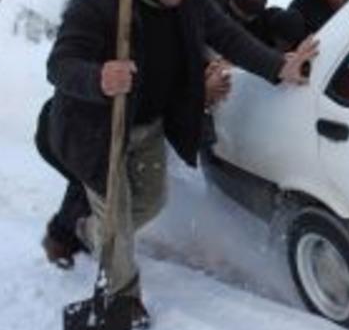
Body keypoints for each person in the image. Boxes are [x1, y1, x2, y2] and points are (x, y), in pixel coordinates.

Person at [44, 0, 317, 330]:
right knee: (118, 219)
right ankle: (124, 297)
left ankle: (87, 229)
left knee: (151, 201)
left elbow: (227, 35)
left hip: (149, 125)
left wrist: (278, 67)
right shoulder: (98, 0)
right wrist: (99, 77)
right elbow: (60, 64)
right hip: (97, 130)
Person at [38, 62, 231, 270]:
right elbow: (152, 90)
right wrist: (197, 93)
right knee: (108, 192)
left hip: (89, 133)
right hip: (72, 134)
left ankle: (73, 239)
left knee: (108, 191)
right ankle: (76, 240)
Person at [211, 0, 306, 51]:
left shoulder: (256, 21)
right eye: (247, 15)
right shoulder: (212, 4)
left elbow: (271, 19)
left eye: (252, 16)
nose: (250, 19)